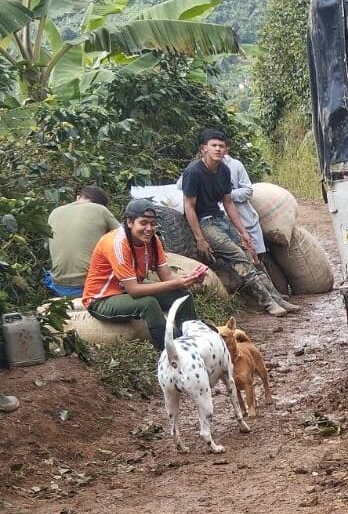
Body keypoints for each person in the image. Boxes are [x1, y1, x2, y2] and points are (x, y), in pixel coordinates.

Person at [181, 128, 298, 317]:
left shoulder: (224, 170)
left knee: (252, 255)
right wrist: (199, 238)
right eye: (214, 146)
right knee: (238, 256)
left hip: (221, 219)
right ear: (204, 149)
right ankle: (268, 303)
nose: (218, 149)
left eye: (221, 146)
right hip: (205, 223)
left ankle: (278, 298)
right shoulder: (194, 172)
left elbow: (228, 203)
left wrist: (244, 233)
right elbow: (189, 207)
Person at [83, 203, 206, 353]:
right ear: (129, 222)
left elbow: (167, 275)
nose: (149, 229)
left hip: (126, 290)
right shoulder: (117, 244)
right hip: (102, 299)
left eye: (153, 224)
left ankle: (192, 340)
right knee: (149, 304)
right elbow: (134, 290)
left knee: (182, 296)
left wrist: (189, 278)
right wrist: (176, 283)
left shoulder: (153, 241)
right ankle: (168, 352)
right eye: (143, 223)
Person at [46, 186, 119, 297]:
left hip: (59, 284)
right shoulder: (100, 210)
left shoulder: (54, 212)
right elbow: (124, 239)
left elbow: (48, 246)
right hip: (89, 284)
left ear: (78, 197)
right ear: (100, 204)